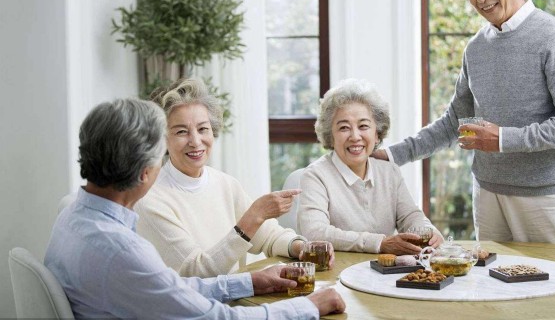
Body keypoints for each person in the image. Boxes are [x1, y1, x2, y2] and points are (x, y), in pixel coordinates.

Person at [372, 0, 555, 245]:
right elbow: (454, 121)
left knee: (549, 287)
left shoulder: (554, 37)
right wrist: (393, 155)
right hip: (486, 193)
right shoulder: (476, 47)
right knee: (490, 286)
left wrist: (502, 139)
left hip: (542, 198)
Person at [44, 98, 345, 319]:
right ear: (145, 172)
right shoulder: (122, 249)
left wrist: (250, 281)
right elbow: (216, 317)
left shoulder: (74, 216)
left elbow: (168, 288)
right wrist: (309, 307)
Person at [135, 78, 332, 278]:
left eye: (203, 129)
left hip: (237, 300)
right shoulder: (149, 200)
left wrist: (301, 247)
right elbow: (197, 272)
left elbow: (268, 237)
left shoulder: (225, 184)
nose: (195, 141)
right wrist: (253, 216)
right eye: (181, 132)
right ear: (163, 139)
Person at [297, 79, 443, 255]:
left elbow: (410, 216)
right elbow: (315, 232)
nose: (355, 136)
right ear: (331, 135)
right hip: (337, 274)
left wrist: (428, 231)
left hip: (385, 274)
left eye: (363, 126)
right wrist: (380, 243)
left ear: (377, 132)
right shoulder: (315, 175)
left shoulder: (390, 171)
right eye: (344, 128)